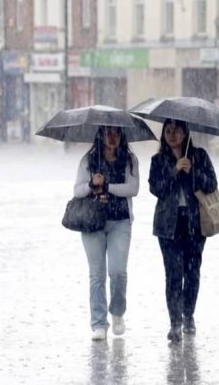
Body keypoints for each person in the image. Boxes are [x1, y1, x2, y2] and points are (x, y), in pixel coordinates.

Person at [148, 119, 218, 342]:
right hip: (168, 225)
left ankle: (189, 315)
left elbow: (211, 184)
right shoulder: (158, 160)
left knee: (192, 272)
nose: (172, 135)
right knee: (173, 274)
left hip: (195, 224)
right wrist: (174, 171)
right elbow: (156, 188)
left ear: (186, 132)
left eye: (177, 131)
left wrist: (192, 172)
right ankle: (175, 322)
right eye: (168, 131)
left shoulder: (200, 156)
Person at [73, 126, 139, 341]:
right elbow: (77, 190)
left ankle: (118, 312)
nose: (113, 137)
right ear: (100, 135)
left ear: (122, 136)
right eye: (108, 133)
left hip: (120, 222)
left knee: (118, 271)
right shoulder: (89, 160)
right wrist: (92, 185)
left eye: (116, 133)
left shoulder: (129, 160)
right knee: (97, 274)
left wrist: (108, 186)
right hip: (93, 222)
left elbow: (133, 189)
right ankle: (99, 323)